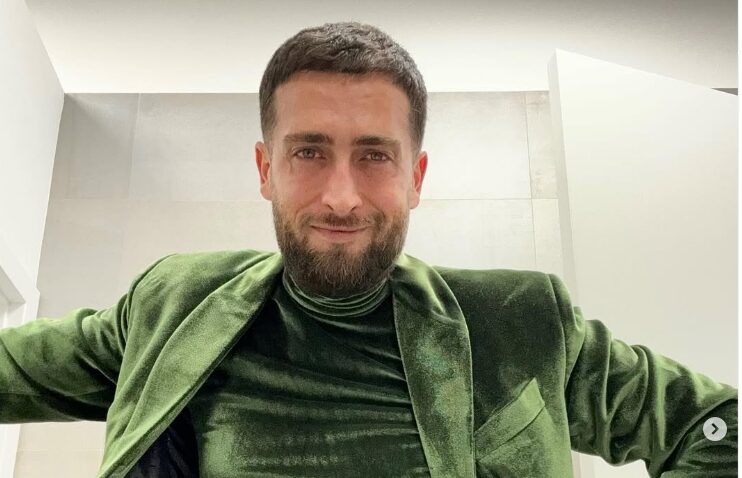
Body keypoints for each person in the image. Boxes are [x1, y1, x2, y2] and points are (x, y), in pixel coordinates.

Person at [0, 21, 736, 478]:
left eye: (375, 156)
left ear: (416, 177)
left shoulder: (523, 318)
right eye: (309, 152)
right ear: (266, 169)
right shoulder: (173, 305)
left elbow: (718, 430)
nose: (342, 196)